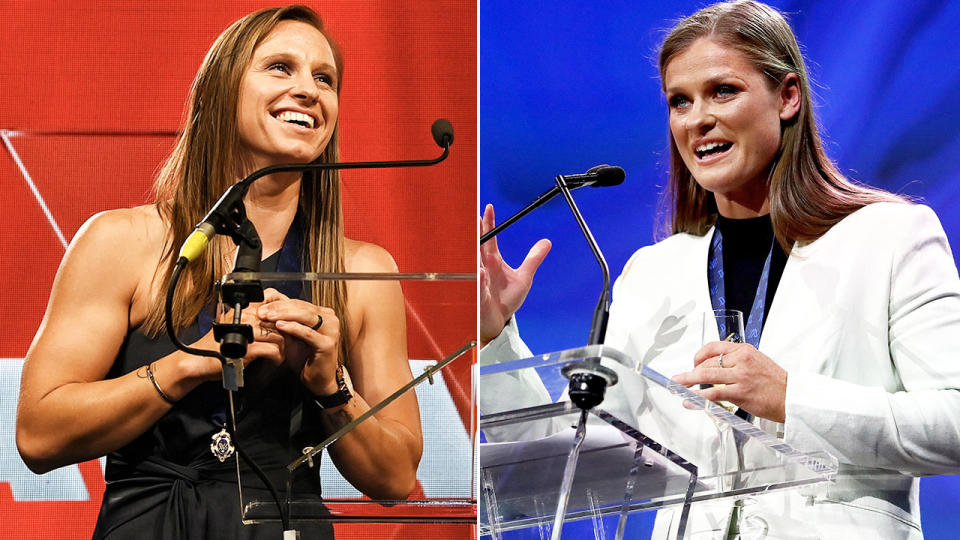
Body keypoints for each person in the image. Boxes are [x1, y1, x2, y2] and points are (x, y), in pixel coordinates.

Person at [480, 1, 960, 538]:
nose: (698, 118)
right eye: (679, 102)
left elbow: (954, 424)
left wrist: (790, 397)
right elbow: (571, 458)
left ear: (787, 97)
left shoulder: (890, 238)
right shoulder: (651, 274)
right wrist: (495, 336)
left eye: (723, 91)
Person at [16, 6, 422, 538]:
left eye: (325, 78)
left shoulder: (362, 271)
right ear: (219, 91)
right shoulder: (120, 242)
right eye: (280, 67)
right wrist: (190, 364)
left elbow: (396, 478)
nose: (308, 90)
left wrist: (332, 387)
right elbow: (39, 434)